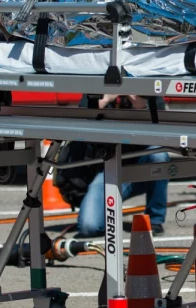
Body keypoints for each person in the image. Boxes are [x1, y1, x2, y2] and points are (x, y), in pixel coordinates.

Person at [66, 96, 170, 237]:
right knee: (88, 227)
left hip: (143, 166)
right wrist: (105, 99)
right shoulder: (99, 85)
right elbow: (79, 123)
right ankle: (107, 212)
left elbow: (165, 131)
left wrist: (140, 106)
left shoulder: (146, 84)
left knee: (159, 155)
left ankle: (155, 219)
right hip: (109, 167)